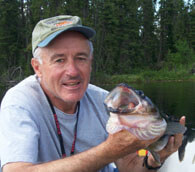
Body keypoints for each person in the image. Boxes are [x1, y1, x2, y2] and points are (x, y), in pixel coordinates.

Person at [0, 15, 185, 172]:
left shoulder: (104, 101)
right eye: (59, 60)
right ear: (37, 67)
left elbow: (128, 165)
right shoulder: (20, 103)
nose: (72, 71)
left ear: (91, 62)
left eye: (81, 58)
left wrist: (152, 161)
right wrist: (109, 151)